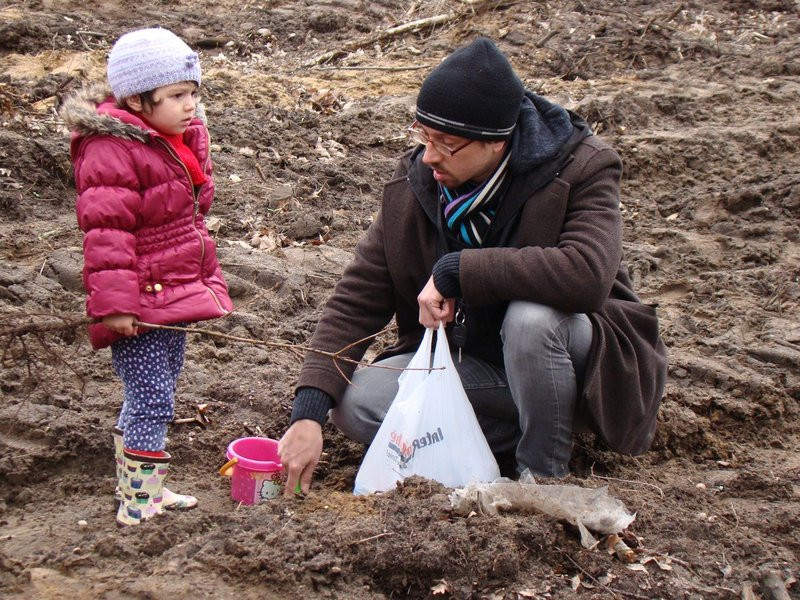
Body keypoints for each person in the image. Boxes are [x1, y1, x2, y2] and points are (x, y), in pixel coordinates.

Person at [278, 37, 667, 495]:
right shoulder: (415, 183)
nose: (429, 156)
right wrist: (308, 411)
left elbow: (587, 275)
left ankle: (542, 477)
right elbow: (357, 297)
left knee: (531, 320)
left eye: (446, 143)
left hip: (573, 363)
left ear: (497, 142)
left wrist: (458, 270)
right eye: (423, 136)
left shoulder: (582, 167)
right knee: (358, 403)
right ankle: (509, 438)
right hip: (476, 362)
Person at [60, 28, 233, 526]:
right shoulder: (111, 149)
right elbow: (105, 233)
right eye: (178, 96)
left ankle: (144, 487)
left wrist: (192, 144)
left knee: (160, 387)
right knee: (151, 396)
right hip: (140, 298)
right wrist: (115, 304)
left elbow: (191, 209)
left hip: (171, 292)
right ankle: (137, 500)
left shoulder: (171, 141)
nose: (190, 105)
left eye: (193, 94)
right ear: (137, 98)